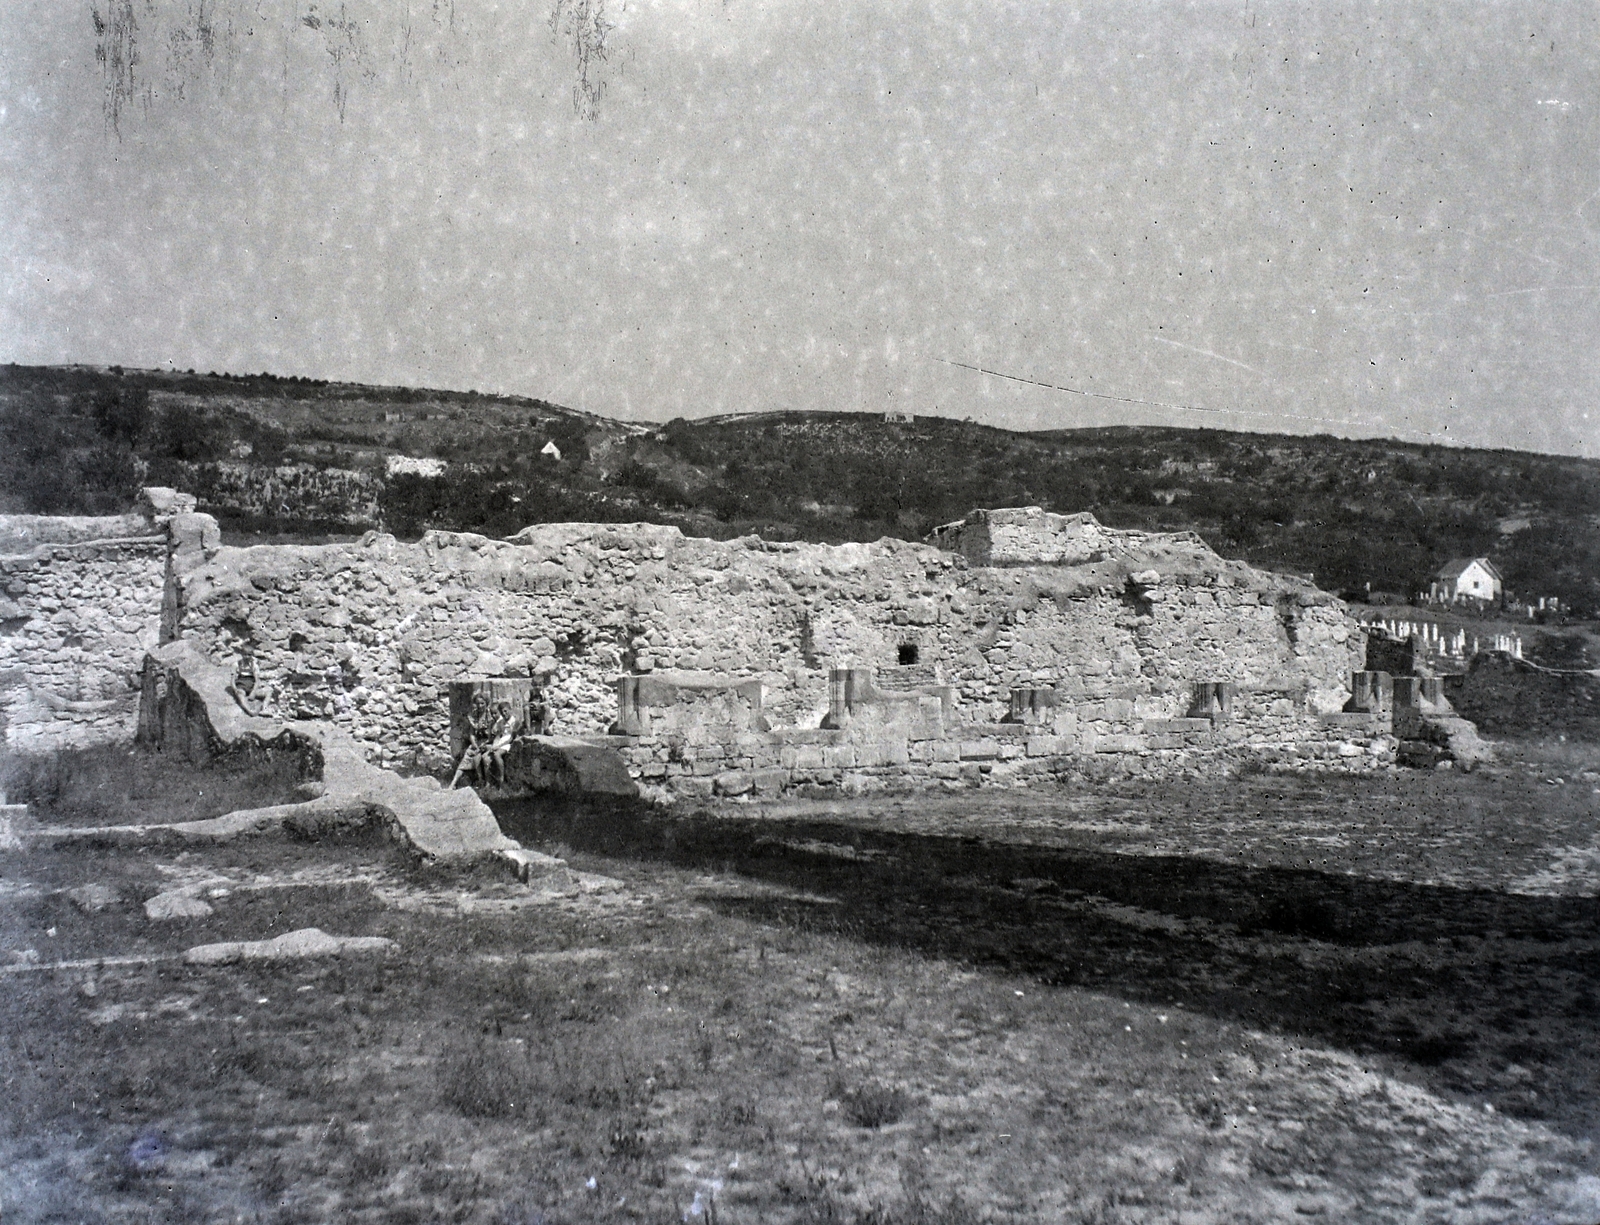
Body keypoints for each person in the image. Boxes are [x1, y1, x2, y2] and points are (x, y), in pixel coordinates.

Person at [449, 694, 492, 788]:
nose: (480, 706)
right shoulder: (474, 715)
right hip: (477, 742)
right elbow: (471, 734)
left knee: (480, 757)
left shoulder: (490, 715)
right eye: (478, 703)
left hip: (488, 742)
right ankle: (453, 783)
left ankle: (483, 781)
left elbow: (491, 735)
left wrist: (482, 746)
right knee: (467, 756)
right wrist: (474, 744)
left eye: (482, 703)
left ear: (486, 703)